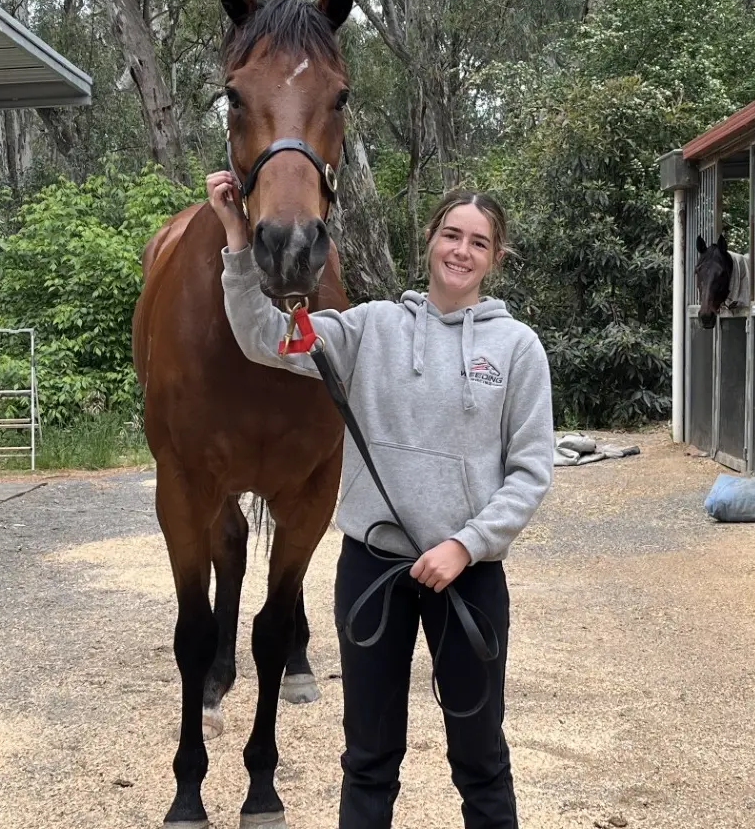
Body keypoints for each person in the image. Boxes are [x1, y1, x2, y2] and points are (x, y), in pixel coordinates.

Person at [207, 170, 554, 829]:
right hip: (375, 569)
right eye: (451, 234)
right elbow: (264, 337)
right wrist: (235, 240)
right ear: (429, 240)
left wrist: (465, 544)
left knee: (480, 759)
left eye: (478, 242)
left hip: (468, 577)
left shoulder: (517, 350)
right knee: (368, 757)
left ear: (495, 258)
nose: (461, 250)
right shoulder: (367, 330)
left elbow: (531, 471)